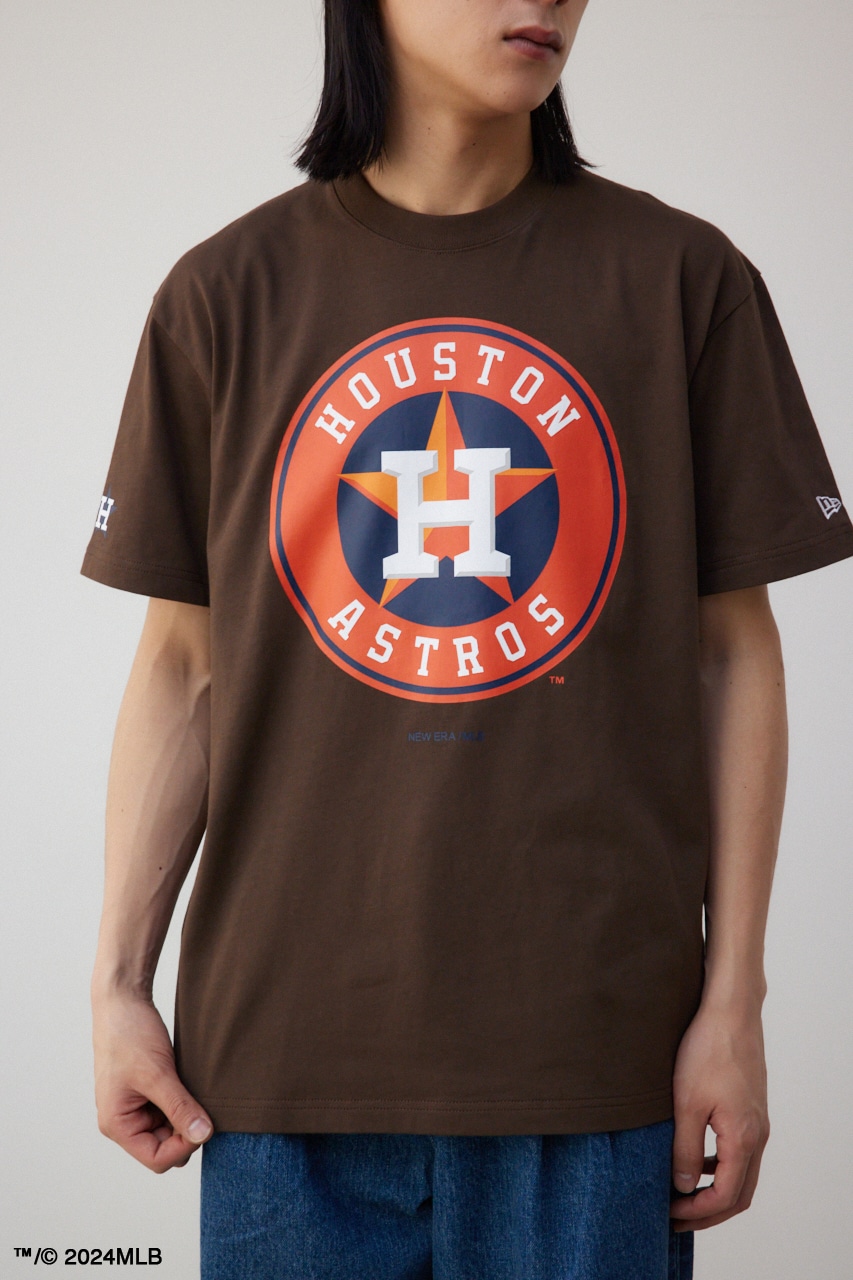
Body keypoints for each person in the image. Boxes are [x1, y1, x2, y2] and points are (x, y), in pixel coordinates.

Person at [82, 1, 853, 1277]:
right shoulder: (223, 293)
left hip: (597, 1068)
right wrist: (117, 984)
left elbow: (732, 656)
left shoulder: (682, 280)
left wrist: (735, 1001)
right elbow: (182, 664)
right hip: (275, 1076)